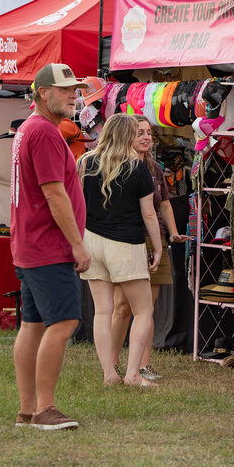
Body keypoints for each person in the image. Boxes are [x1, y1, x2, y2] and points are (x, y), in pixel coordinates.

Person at [11, 64, 91, 431]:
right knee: (63, 322)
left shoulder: (30, 128)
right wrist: (77, 243)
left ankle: (28, 409)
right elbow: (53, 192)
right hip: (48, 244)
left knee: (33, 324)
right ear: (43, 93)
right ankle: (44, 408)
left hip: (30, 242)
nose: (73, 94)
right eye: (65, 89)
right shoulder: (43, 131)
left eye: (74, 89)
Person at [77, 115, 162, 389]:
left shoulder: (85, 162)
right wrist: (158, 247)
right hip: (126, 244)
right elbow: (149, 212)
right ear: (127, 135)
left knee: (102, 312)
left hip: (92, 241)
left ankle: (109, 374)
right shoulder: (136, 167)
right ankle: (133, 374)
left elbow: (77, 205)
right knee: (143, 310)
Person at [111, 119, 184, 383]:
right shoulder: (118, 166)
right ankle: (113, 365)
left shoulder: (154, 168)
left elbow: (164, 205)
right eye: (139, 133)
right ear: (126, 136)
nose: (145, 137)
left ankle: (143, 365)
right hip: (129, 241)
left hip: (157, 242)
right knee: (122, 307)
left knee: (147, 308)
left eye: (149, 133)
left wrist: (173, 233)